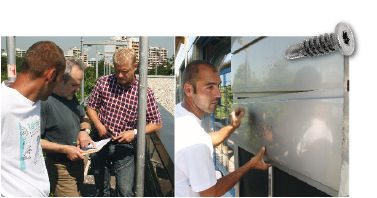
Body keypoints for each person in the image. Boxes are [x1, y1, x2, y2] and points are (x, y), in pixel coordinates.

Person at [175, 60, 272, 197]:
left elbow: (206, 140)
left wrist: (232, 126)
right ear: (189, 90)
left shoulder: (180, 112)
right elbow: (211, 194)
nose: (218, 94)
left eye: (218, 86)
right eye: (210, 87)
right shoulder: (195, 142)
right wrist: (249, 165)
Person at [86, 48, 162, 196]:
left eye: (124, 71)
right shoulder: (103, 82)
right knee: (101, 190)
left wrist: (134, 133)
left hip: (124, 145)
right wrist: (99, 125)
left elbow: (157, 122)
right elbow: (91, 107)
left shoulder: (144, 92)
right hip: (100, 140)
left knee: (126, 190)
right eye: (117, 70)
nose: (119, 75)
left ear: (135, 67)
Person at [1, 41, 66, 196]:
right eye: (59, 80)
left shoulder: (34, 100)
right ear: (50, 75)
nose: (57, 87)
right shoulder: (3, 104)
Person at [40, 59, 95, 196]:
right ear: (59, 81)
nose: (77, 90)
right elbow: (34, 141)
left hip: (76, 164)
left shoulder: (70, 96)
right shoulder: (44, 102)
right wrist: (65, 149)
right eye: (74, 85)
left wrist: (84, 131)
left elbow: (85, 118)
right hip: (61, 167)